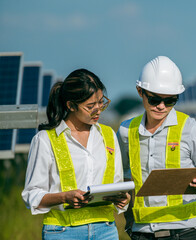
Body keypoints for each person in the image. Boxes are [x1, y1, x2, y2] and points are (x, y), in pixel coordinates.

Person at [117, 56, 196, 240]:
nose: (161, 106)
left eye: (170, 101)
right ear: (140, 91)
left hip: (186, 232)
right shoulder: (126, 130)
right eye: (154, 99)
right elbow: (122, 175)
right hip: (142, 233)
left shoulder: (193, 130)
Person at [21, 68, 130, 240]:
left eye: (101, 102)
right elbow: (32, 195)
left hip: (106, 230)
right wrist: (64, 197)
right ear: (70, 105)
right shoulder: (45, 140)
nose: (98, 110)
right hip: (62, 232)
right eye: (90, 106)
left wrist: (122, 198)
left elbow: (116, 184)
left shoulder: (109, 136)